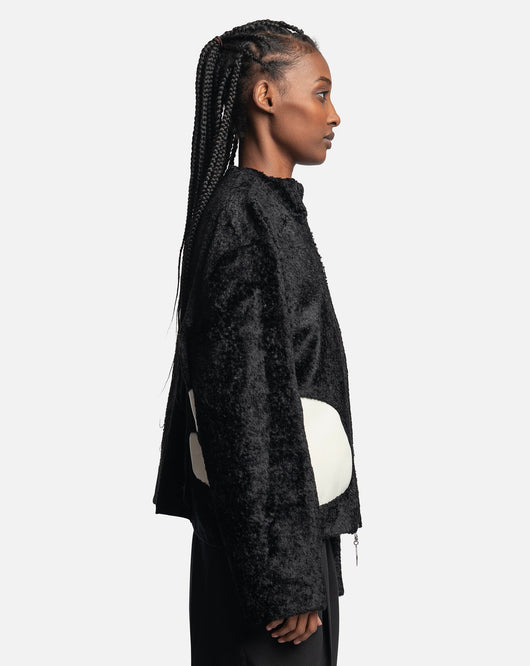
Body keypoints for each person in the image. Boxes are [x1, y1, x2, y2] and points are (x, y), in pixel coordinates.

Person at [152, 19, 363, 665]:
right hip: (271, 564)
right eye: (320, 93)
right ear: (267, 96)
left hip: (283, 539)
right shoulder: (245, 216)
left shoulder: (262, 209)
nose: (334, 114)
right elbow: (243, 406)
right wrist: (284, 577)